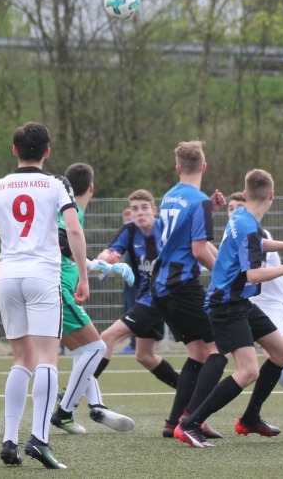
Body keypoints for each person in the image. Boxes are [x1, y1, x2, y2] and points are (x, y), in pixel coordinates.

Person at [174, 169, 283, 448]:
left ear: (245, 193)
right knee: (248, 371)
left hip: (238, 301)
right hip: (226, 305)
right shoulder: (249, 225)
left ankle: (250, 418)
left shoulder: (240, 216)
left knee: (282, 353)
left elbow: (257, 243)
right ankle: (190, 424)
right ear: (272, 195)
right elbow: (254, 275)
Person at [0, 122, 88, 469]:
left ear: (14, 150)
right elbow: (73, 230)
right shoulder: (57, 184)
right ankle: (39, 439)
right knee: (47, 359)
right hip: (42, 276)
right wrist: (83, 276)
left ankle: (9, 441)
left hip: (10, 276)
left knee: (21, 359)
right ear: (47, 152)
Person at [150, 140, 227, 439]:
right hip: (181, 285)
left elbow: (179, 235)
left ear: (177, 168)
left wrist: (210, 209)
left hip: (161, 285)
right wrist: (225, 275)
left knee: (198, 352)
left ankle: (174, 422)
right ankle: (192, 419)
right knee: (220, 348)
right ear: (204, 167)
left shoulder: (170, 196)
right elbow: (198, 251)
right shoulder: (199, 201)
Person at [50, 163, 134, 435]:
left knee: (83, 351)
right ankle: (64, 412)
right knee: (97, 347)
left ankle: (97, 406)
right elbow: (62, 242)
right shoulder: (71, 209)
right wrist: (96, 268)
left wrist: (98, 266)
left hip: (48, 289)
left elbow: (67, 251)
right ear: (92, 187)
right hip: (57, 290)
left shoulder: (66, 207)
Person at [87, 191, 180, 403]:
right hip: (149, 298)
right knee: (145, 356)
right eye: (135, 209)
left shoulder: (166, 229)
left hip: (165, 297)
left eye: (144, 208)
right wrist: (110, 257)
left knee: (107, 338)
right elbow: (104, 254)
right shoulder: (130, 230)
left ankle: (74, 394)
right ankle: (188, 389)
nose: (139, 213)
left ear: (154, 211)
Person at [227, 192, 283, 416]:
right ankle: (195, 409)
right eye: (230, 208)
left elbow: (256, 273)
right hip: (248, 303)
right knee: (218, 351)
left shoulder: (257, 233)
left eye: (239, 207)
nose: (234, 212)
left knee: (273, 353)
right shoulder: (234, 233)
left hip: (274, 304)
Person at [119, 206, 139, 354]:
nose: (127, 223)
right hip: (129, 285)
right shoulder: (125, 240)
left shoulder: (139, 239)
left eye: (130, 220)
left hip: (139, 285)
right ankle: (133, 344)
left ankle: (136, 344)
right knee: (128, 310)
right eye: (125, 220)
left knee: (135, 311)